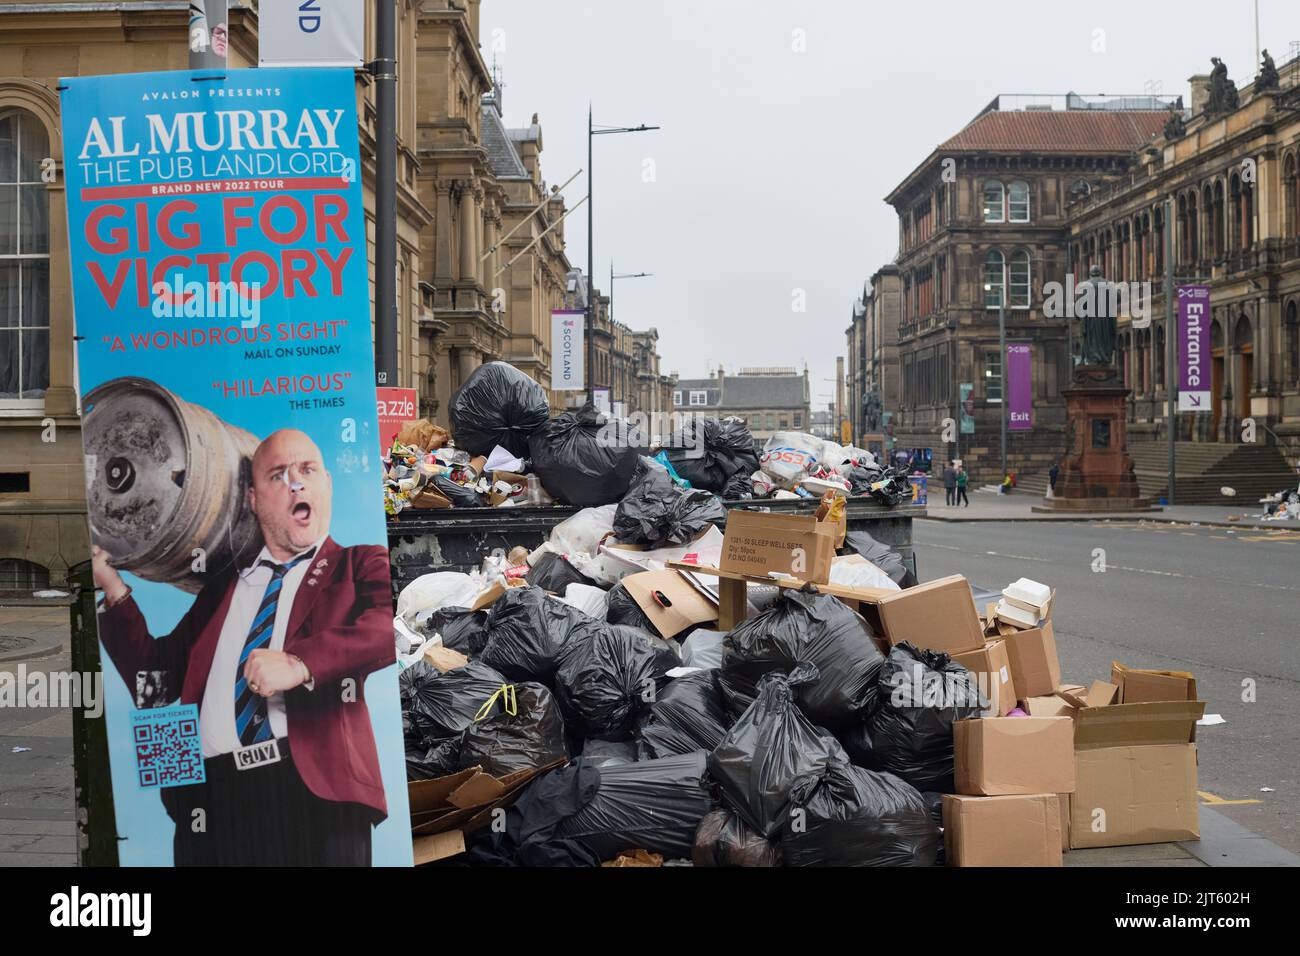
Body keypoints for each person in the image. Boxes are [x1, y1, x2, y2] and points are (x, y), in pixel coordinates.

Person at [92, 428, 394, 866]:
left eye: (307, 470)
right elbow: (153, 682)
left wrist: (300, 663)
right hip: (209, 802)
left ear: (327, 484)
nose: (295, 483)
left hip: (311, 795)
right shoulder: (222, 587)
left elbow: (386, 628)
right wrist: (111, 584)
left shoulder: (357, 562)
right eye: (278, 475)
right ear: (252, 498)